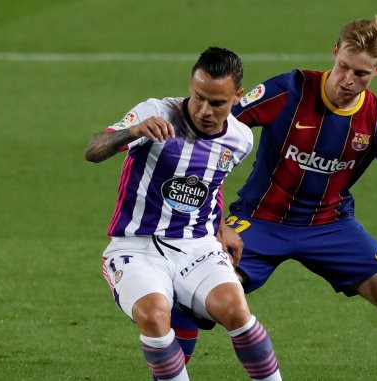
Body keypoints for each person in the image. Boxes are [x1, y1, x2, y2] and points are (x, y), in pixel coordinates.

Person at [173, 17, 377, 380]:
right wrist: (217, 223)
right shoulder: (289, 90)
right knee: (199, 298)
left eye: (361, 74)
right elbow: (212, 127)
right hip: (260, 220)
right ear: (335, 52)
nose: (348, 79)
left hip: (331, 227)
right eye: (344, 66)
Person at [84, 47, 282, 381]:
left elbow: (211, 183)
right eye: (198, 97)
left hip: (197, 247)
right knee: (155, 315)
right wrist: (133, 132)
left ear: (237, 97)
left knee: (236, 311)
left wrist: (221, 227)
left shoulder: (240, 138)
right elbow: (93, 150)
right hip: (138, 246)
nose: (204, 110)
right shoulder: (156, 112)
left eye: (216, 102)